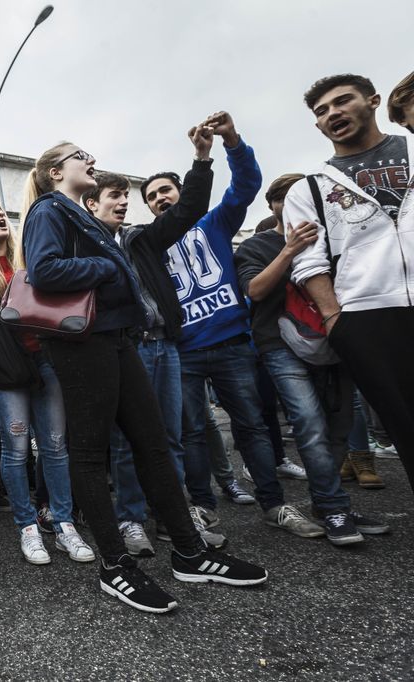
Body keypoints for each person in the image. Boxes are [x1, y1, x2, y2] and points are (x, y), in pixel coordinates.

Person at [21, 139, 268, 614]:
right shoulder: (49, 210)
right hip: (81, 345)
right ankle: (115, 567)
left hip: (117, 340)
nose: (90, 158)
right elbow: (44, 270)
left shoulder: (82, 215)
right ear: (55, 171)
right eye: (79, 155)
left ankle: (189, 553)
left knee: (153, 443)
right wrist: (109, 267)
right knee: (91, 455)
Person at [143, 111, 323, 540]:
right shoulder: (149, 242)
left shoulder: (213, 221)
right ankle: (202, 507)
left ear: (182, 191)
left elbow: (245, 186)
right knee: (191, 433)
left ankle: (274, 504)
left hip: (230, 343)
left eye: (165, 190)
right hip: (182, 350)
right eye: (151, 197)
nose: (159, 199)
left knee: (252, 426)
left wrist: (231, 142)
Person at [80, 121, 225, 556]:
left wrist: (201, 160)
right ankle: (130, 520)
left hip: (166, 345)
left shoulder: (142, 239)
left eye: (127, 197)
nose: (124, 203)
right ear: (91, 205)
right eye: (115, 197)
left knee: (171, 437)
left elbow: (187, 211)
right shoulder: (85, 245)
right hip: (127, 349)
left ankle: (173, 518)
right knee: (128, 442)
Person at [234, 172, 391, 545]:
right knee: (308, 423)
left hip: (334, 342)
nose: (293, 207)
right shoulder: (255, 247)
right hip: (280, 346)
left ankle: (327, 504)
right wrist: (289, 250)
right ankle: (336, 508)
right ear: (272, 206)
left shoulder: (332, 238)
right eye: (284, 200)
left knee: (340, 425)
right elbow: (254, 291)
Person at [285, 73, 414, 494]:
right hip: (365, 315)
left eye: (343, 101)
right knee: (404, 423)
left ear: (373, 101)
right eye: (322, 111)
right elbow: (308, 263)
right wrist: (336, 319)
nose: (332, 113)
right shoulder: (310, 189)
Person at [0, 201, 91, 565]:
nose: (0, 216)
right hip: (4, 372)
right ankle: (28, 528)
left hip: (45, 360)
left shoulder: (29, 258)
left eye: (1, 211)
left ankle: (63, 525)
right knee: (15, 451)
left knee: (56, 445)